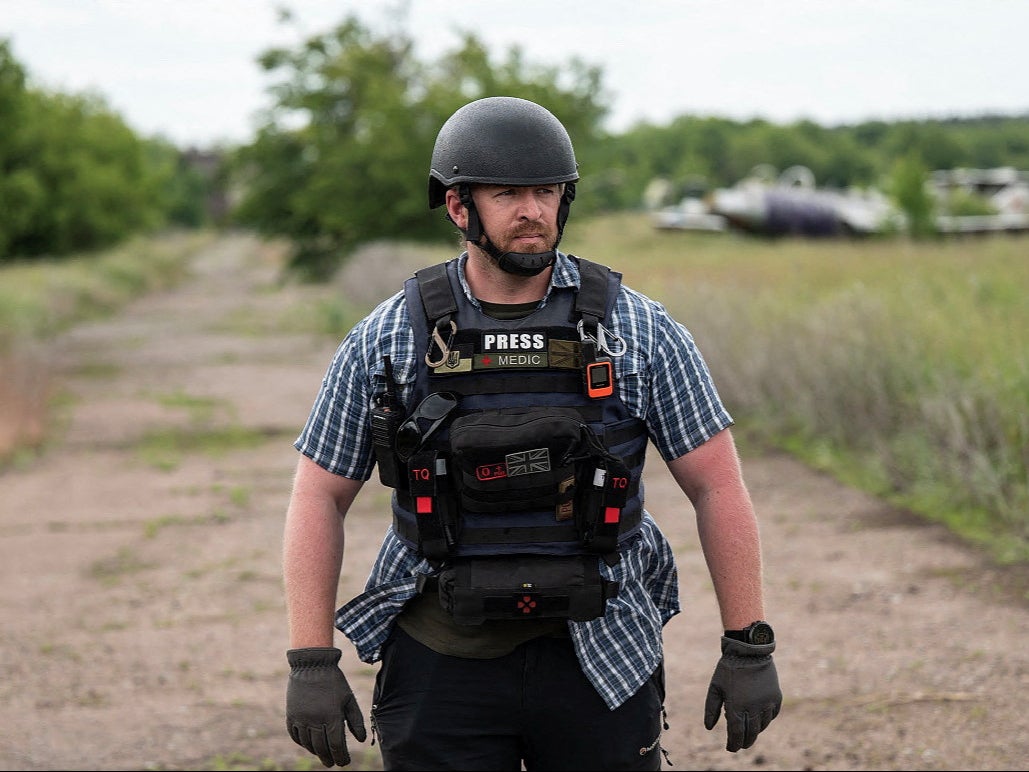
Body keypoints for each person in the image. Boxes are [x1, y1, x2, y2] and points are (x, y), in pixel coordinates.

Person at [282, 95, 782, 771]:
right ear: (460, 208)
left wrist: (746, 643)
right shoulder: (389, 335)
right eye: (508, 193)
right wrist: (311, 660)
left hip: (603, 652)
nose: (532, 211)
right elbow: (318, 494)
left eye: (546, 191)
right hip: (440, 655)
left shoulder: (638, 329)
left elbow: (717, 486)